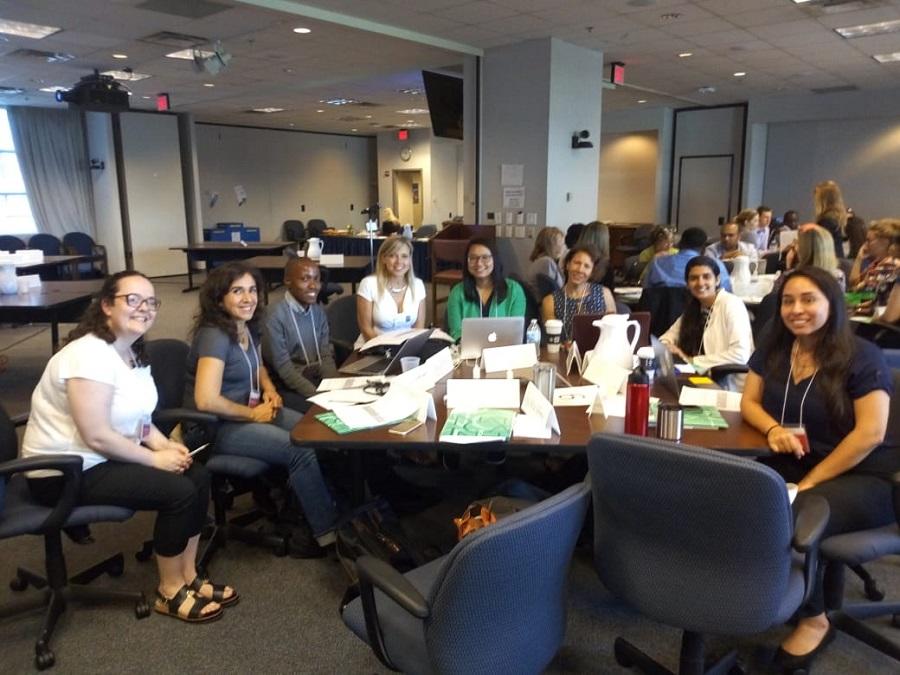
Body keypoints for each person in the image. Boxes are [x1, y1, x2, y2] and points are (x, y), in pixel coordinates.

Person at [21, 271, 234, 623]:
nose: (144, 308)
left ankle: (189, 575)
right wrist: (154, 460)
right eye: (133, 300)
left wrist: (166, 446)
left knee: (197, 476)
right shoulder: (88, 355)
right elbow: (97, 435)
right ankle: (169, 591)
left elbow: (138, 419)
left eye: (151, 302)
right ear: (107, 305)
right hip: (63, 470)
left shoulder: (131, 352)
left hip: (99, 459)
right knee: (178, 492)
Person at [740, 267, 896, 671]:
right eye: (788, 301)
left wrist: (810, 481)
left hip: (865, 474)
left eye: (809, 299)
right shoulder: (776, 348)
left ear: (832, 304)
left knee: (793, 512)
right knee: (739, 491)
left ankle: (814, 618)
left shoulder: (862, 356)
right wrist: (773, 429)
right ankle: (763, 591)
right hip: (798, 457)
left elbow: (871, 434)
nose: (797, 309)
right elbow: (749, 403)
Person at [185, 262, 337, 555]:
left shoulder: (247, 325)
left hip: (246, 411)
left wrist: (269, 389)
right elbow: (206, 400)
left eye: (252, 290)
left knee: (314, 430)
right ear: (219, 299)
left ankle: (299, 507)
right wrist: (254, 414)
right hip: (212, 427)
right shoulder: (215, 335)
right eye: (237, 291)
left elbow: (258, 366)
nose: (248, 298)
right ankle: (326, 534)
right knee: (299, 448)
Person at [659, 256, 753, 390]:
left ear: (717, 280)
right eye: (694, 278)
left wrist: (692, 361)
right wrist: (668, 347)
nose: (700, 282)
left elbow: (740, 354)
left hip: (727, 385)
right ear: (687, 284)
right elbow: (666, 338)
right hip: (701, 377)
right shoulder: (695, 308)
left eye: (706, 277)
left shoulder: (731, 304)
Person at [262, 257, 337, 413]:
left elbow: (325, 355)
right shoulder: (274, 317)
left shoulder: (318, 312)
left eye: (316, 279)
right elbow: (285, 369)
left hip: (314, 377)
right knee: (323, 413)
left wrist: (334, 388)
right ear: (288, 281)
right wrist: (319, 396)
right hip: (286, 386)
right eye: (305, 279)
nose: (313, 285)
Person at [446, 237, 526, 341]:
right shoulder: (457, 292)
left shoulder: (514, 290)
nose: (479, 263)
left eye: (485, 257)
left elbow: (515, 331)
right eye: (473, 258)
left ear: (495, 259)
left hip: (504, 349)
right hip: (469, 350)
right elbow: (456, 333)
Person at [355, 235, 426, 346]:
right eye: (393, 256)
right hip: (374, 347)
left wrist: (409, 350)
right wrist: (387, 351)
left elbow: (419, 328)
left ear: (410, 259)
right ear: (383, 258)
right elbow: (366, 329)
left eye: (404, 256)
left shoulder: (418, 285)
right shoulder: (368, 284)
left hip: (406, 348)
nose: (399, 262)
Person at [541, 246, 616, 344]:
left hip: (600, 350)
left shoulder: (605, 294)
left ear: (592, 272)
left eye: (586, 266)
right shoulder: (550, 301)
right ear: (568, 265)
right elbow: (553, 339)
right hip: (563, 351)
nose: (580, 269)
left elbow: (614, 332)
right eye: (577, 263)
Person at [643, 227, 733, 292]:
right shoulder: (715, 265)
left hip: (661, 312)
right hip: (702, 312)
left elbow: (646, 291)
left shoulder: (657, 263)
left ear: (680, 244)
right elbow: (726, 293)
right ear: (703, 249)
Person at [783, 224, 846, 290]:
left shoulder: (791, 277)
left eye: (797, 243)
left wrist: (788, 265)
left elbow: (778, 294)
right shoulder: (839, 276)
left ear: (803, 250)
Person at [849, 218, 899, 293]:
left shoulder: (889, 265)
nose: (865, 244)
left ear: (884, 242)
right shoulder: (877, 263)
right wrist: (859, 258)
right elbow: (853, 283)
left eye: (868, 240)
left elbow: (858, 292)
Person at [526, 226, 565, 299]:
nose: (563, 247)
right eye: (560, 243)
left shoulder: (541, 260)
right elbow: (551, 292)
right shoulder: (546, 262)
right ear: (548, 245)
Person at [814, 180, 847, 260]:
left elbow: (820, 248)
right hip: (840, 260)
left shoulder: (825, 221)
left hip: (830, 262)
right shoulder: (838, 218)